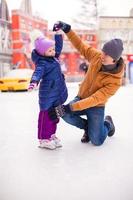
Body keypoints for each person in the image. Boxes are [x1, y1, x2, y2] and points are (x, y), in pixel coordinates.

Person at [48, 21, 125, 146]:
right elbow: (81, 46)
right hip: (81, 98)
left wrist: (70, 107)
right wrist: (68, 30)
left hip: (96, 106)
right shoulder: (97, 56)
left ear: (114, 60)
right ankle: (87, 128)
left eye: (106, 54)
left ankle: (107, 124)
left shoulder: (115, 81)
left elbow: (95, 99)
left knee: (97, 141)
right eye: (103, 51)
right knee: (63, 113)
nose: (102, 55)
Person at [28, 32, 68, 149]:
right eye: (50, 50)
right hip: (48, 95)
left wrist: (58, 34)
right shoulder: (42, 63)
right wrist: (33, 82)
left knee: (55, 116)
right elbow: (37, 73)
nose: (53, 52)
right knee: (45, 117)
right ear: (42, 52)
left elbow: (58, 47)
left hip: (58, 94)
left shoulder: (53, 58)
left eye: (53, 49)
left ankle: (51, 135)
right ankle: (44, 139)